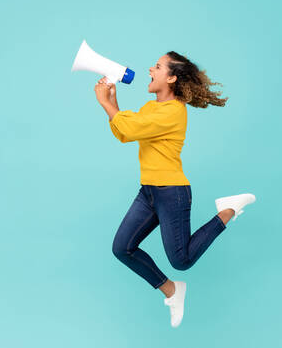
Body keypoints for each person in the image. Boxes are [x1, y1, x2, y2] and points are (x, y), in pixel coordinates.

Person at [94, 51, 257, 328]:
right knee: (122, 248)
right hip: (149, 192)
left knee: (181, 261)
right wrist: (111, 103)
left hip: (172, 193)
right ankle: (171, 290)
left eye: (157, 66)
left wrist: (104, 103)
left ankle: (227, 211)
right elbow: (125, 133)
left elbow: (130, 129)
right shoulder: (150, 108)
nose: (149, 69)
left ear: (171, 77)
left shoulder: (174, 111)